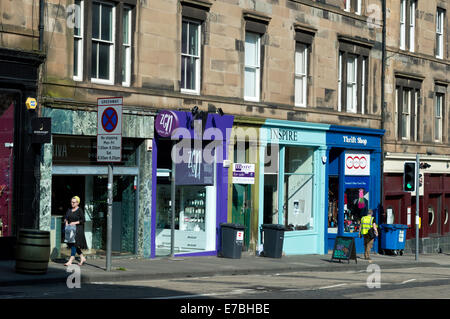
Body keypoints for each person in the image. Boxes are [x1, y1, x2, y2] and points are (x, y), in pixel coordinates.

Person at [64, 196, 88, 266]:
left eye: (74, 202)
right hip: (70, 230)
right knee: (72, 244)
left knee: (74, 244)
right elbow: (66, 218)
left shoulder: (79, 210)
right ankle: (82, 257)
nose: (72, 203)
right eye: (71, 202)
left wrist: (75, 222)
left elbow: (83, 220)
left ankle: (70, 260)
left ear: (77, 203)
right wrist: (66, 222)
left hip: (77, 230)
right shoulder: (69, 210)